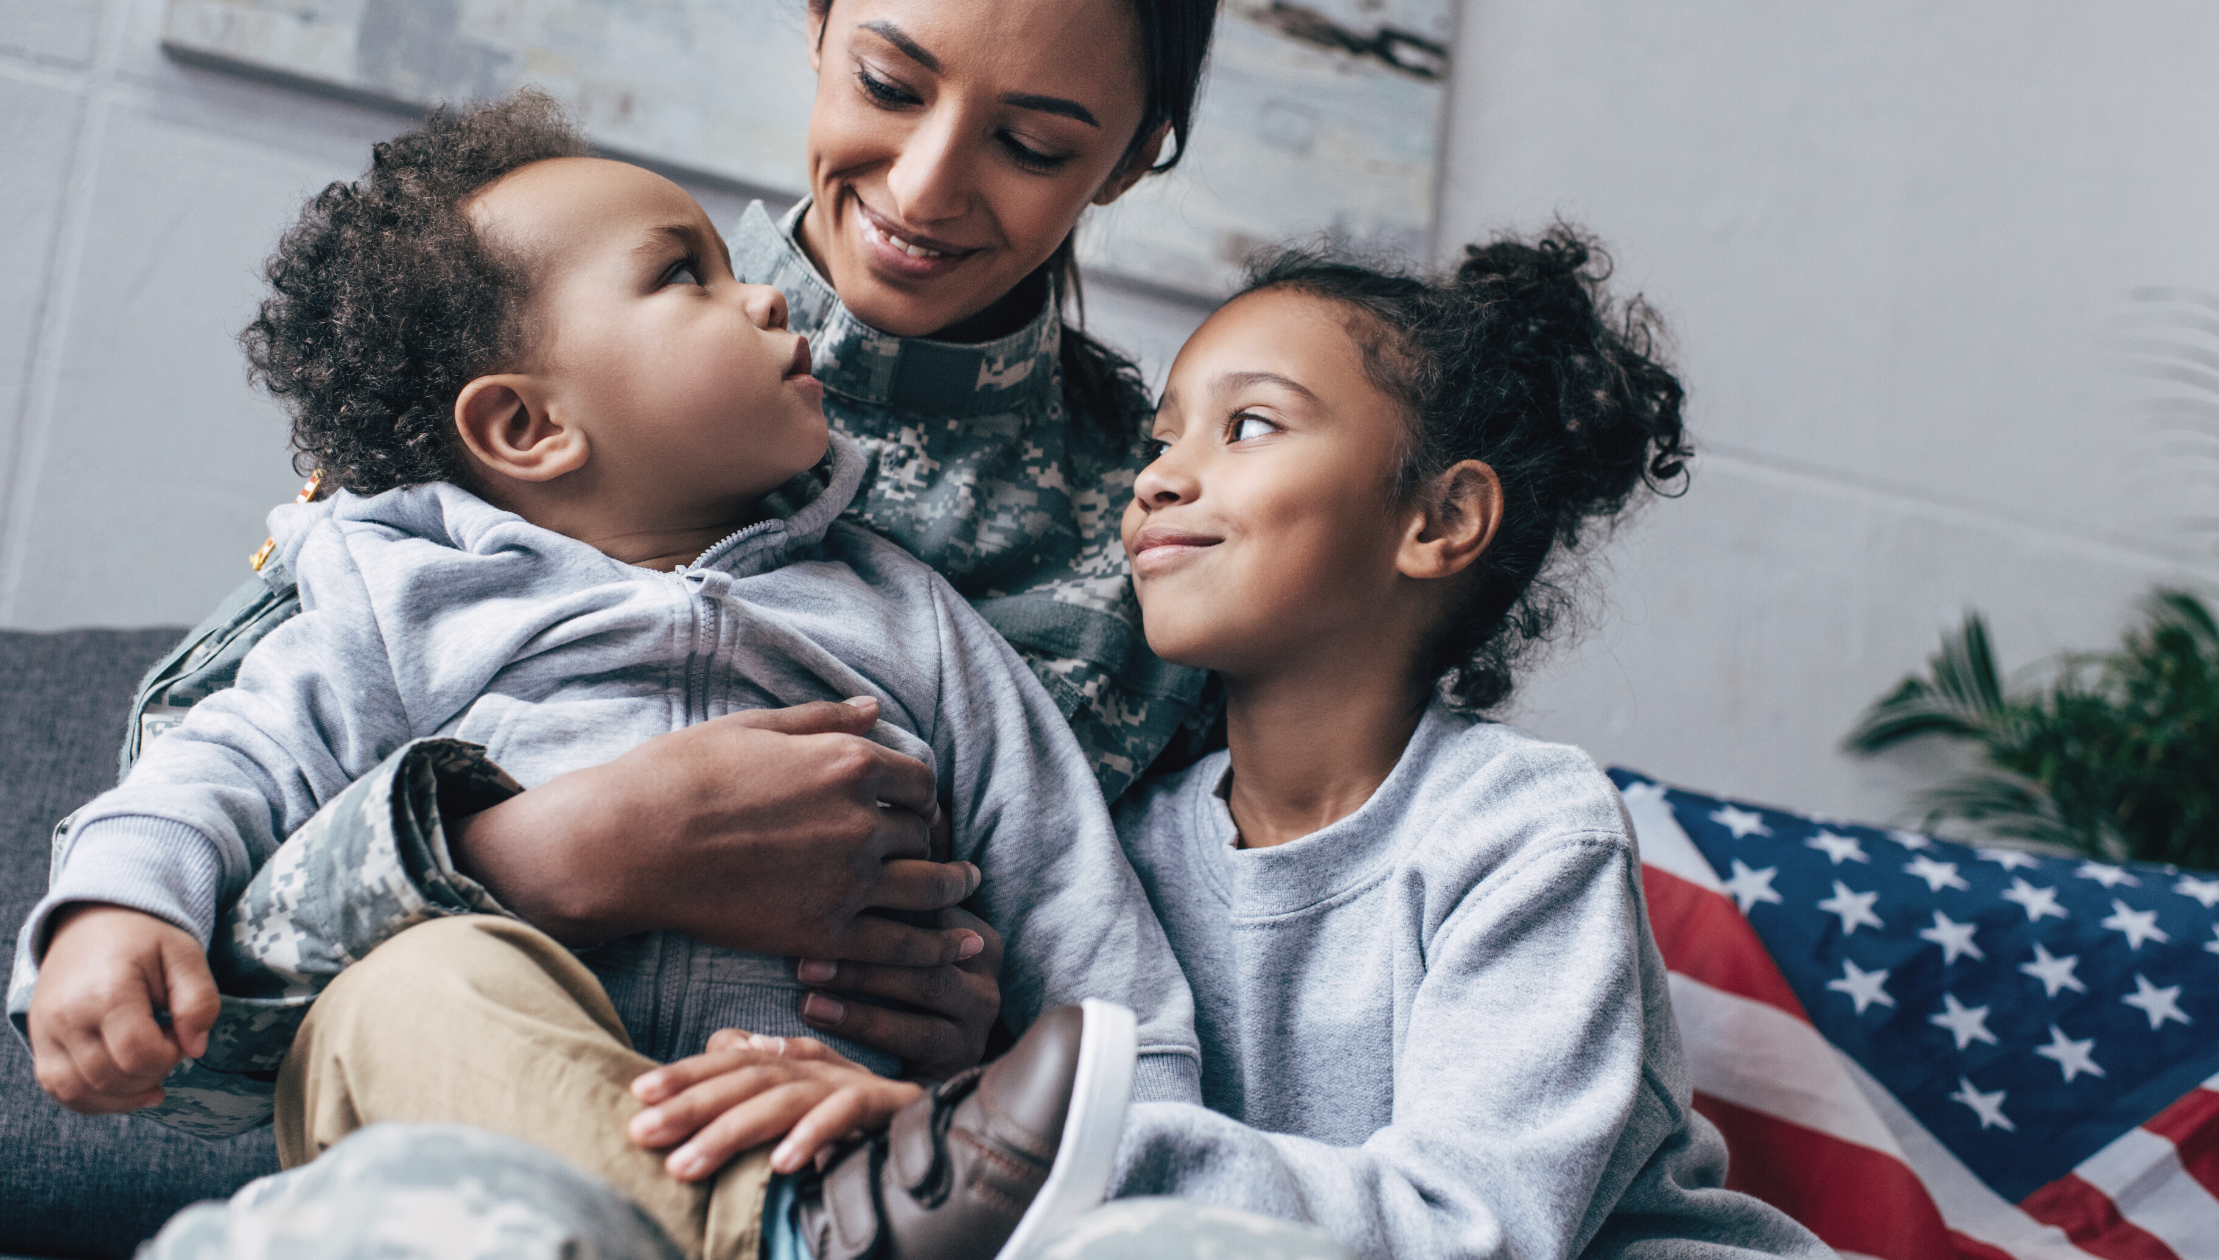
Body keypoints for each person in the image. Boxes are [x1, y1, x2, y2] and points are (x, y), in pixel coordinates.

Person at [7, 0, 1220, 1127]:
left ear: (1126, 159)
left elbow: (1119, 969)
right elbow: (169, 1040)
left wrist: (983, 1083)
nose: (925, 183)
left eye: (1032, 143)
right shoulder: (492, 361)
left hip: (829, 1158)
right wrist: (534, 860)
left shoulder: (1166, 541)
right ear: (817, 22)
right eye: (888, 83)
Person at [1094, 235, 1833, 1259]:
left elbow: (1468, 1233)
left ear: (1441, 519)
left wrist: (1059, 1152)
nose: (1160, 480)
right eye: (1159, 440)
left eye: (1248, 425)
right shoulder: (1120, 842)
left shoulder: (1522, 831)